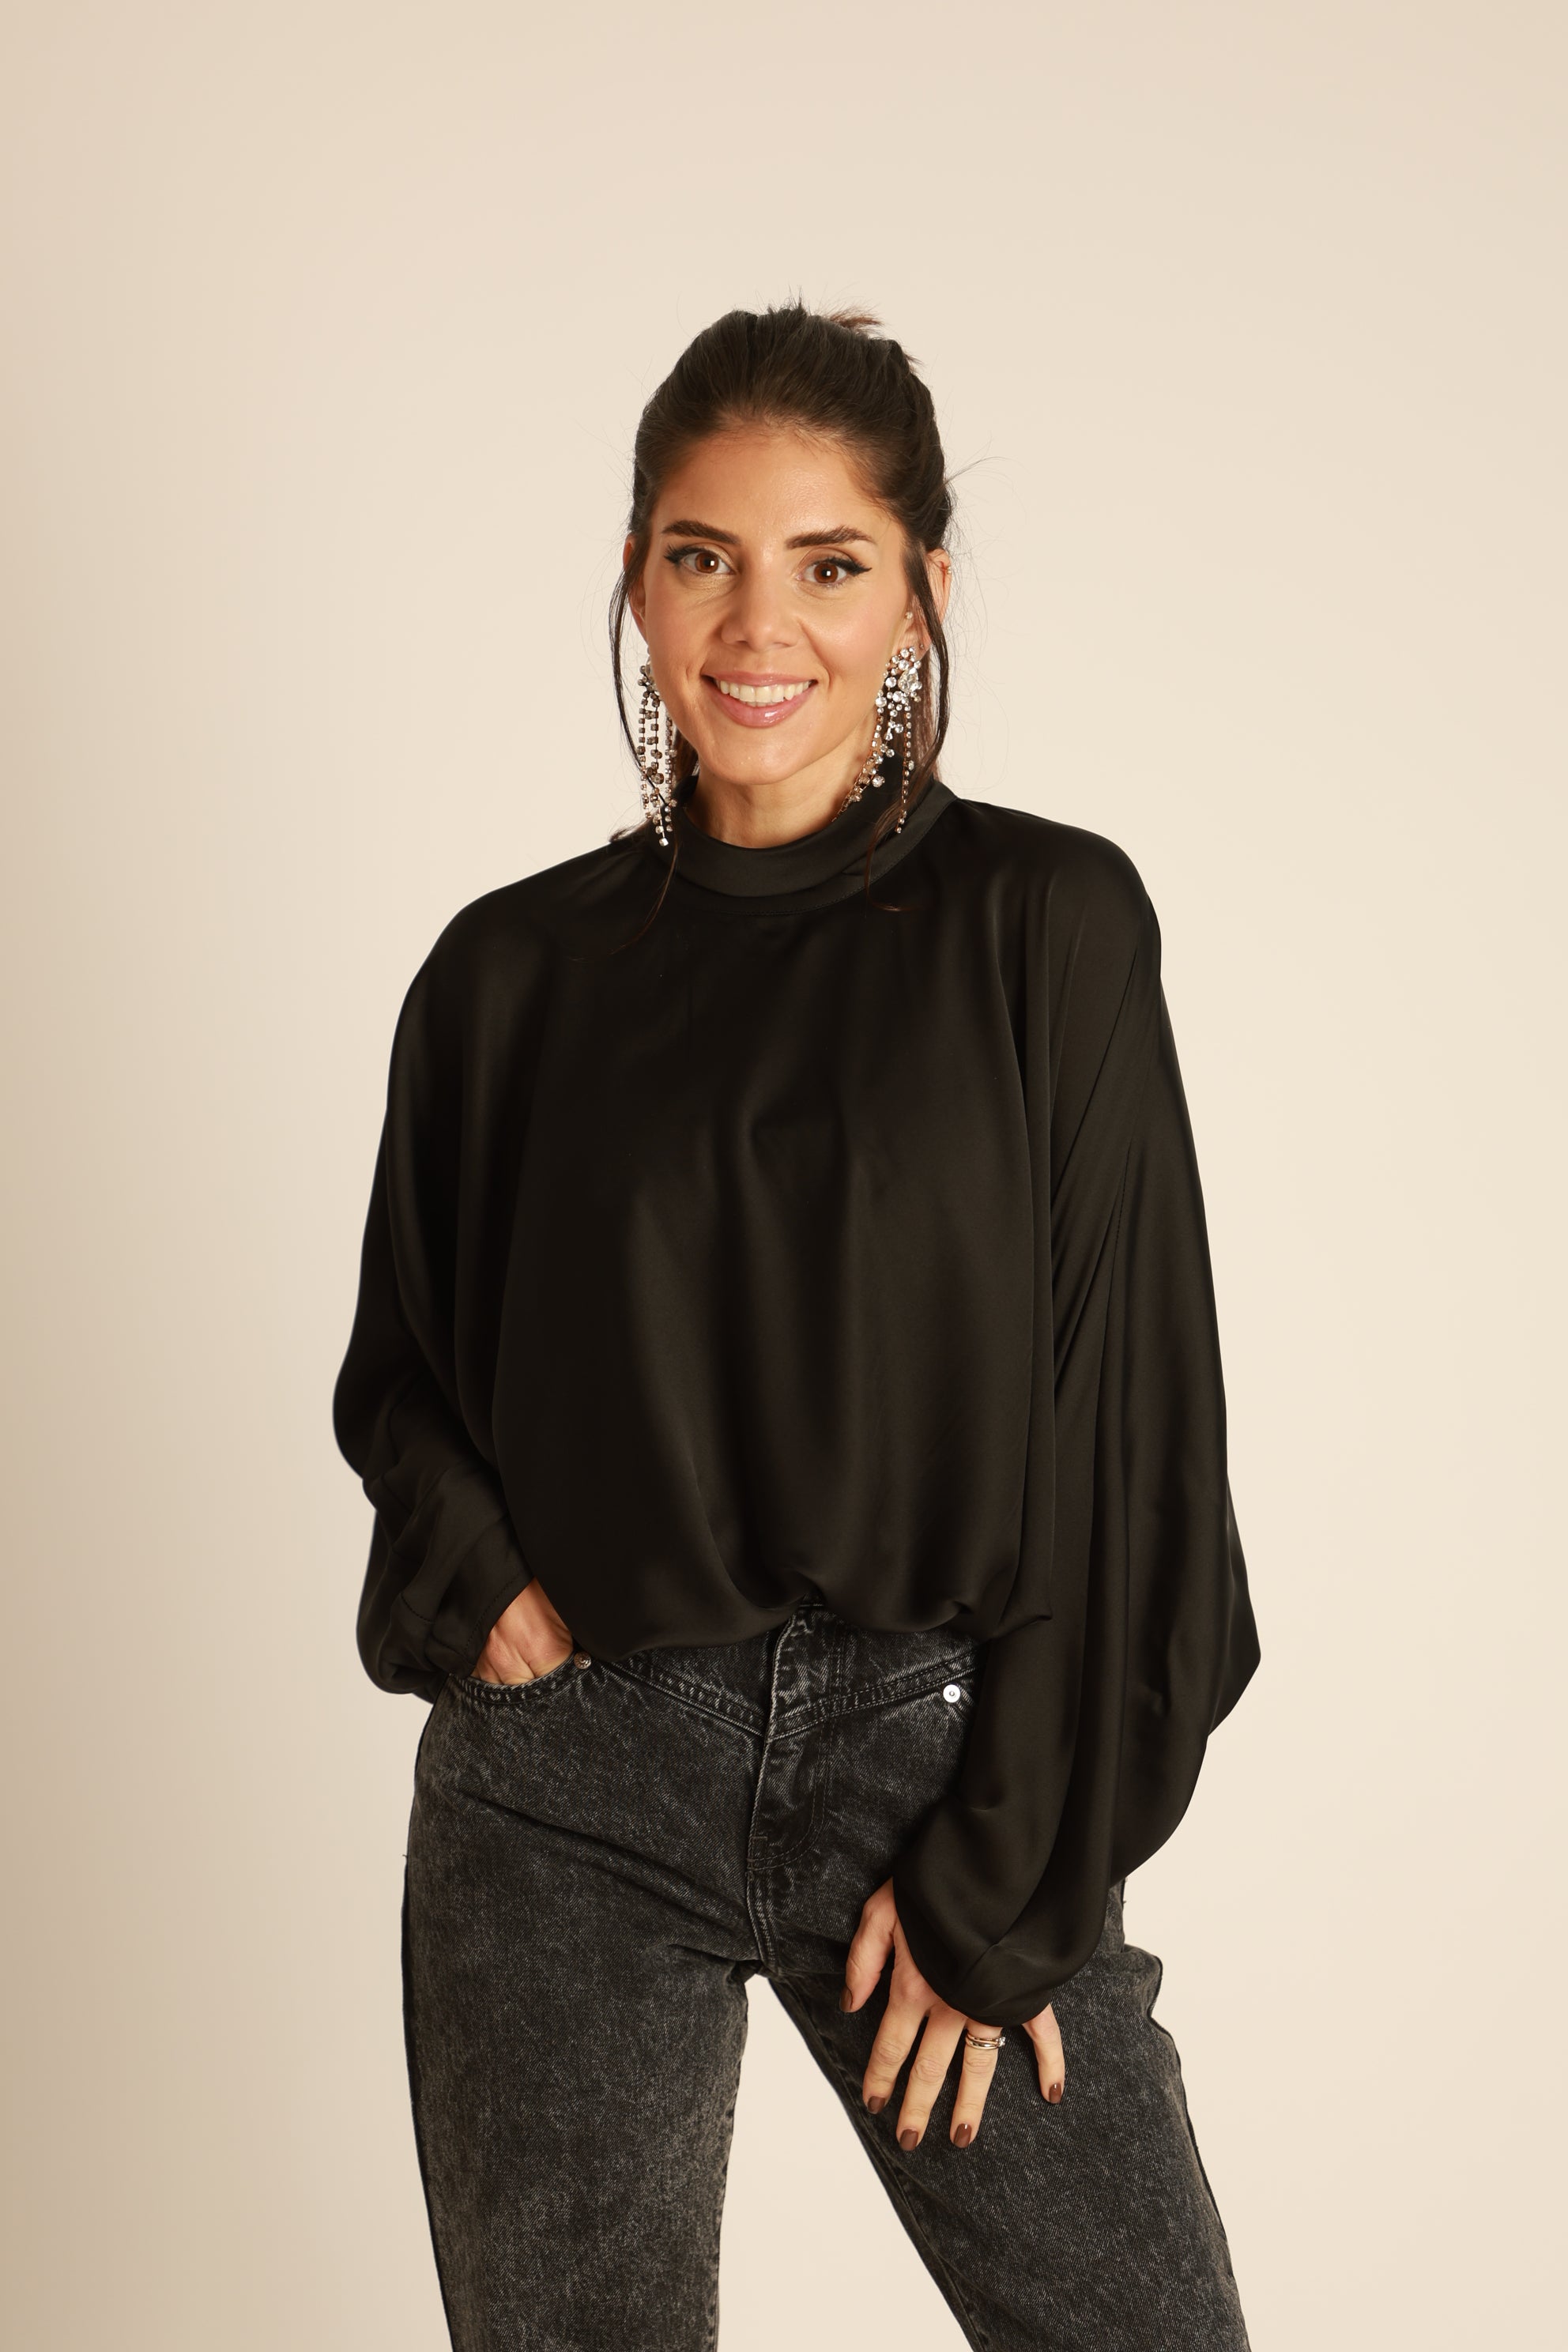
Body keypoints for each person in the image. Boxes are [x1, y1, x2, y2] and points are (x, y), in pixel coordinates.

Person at [333, 302, 1261, 2352]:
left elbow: (1134, 1440)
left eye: (828, 565)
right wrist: (483, 1581)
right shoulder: (507, 978)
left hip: (932, 1768)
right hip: (568, 1789)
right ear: (638, 580)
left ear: (922, 593)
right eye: (704, 556)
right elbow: (404, 1375)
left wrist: (1010, 1882)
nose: (761, 628)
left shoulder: (1049, 931)